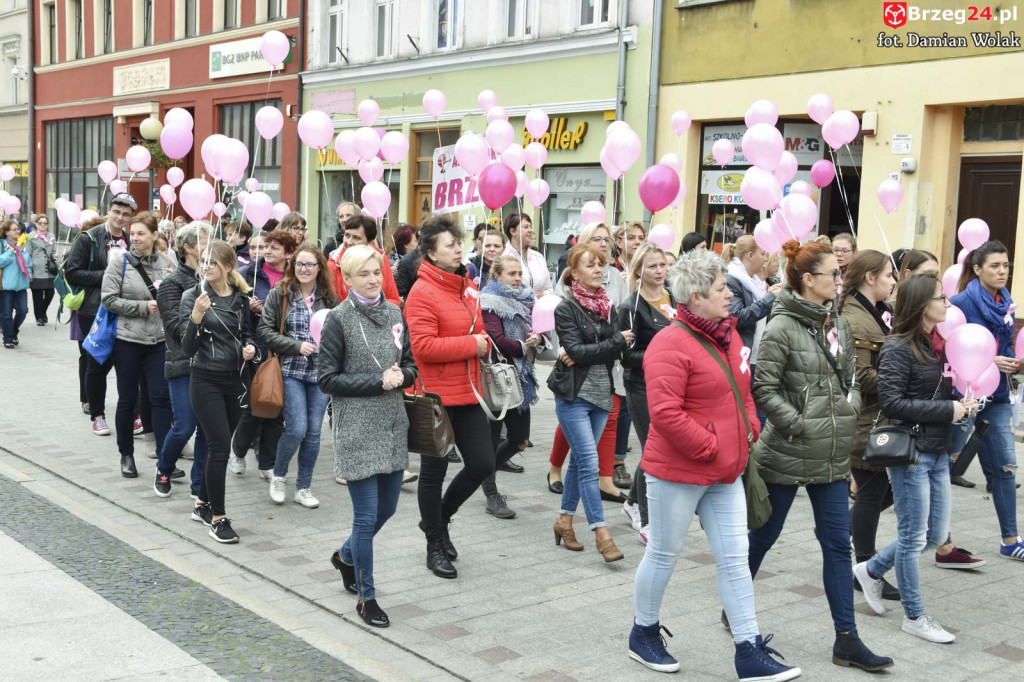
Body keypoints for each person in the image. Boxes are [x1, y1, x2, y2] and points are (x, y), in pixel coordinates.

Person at [628, 248, 800, 680]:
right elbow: (665, 414)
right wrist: (710, 446)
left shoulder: (729, 335)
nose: (729, 296)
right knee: (665, 553)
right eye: (721, 289)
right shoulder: (670, 342)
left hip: (726, 472)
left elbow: (741, 389)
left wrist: (751, 426)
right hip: (679, 471)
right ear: (696, 297)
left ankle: (748, 650)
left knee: (735, 560)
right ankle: (643, 633)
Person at [747, 239, 892, 672]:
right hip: (787, 453)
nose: (839, 279)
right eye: (832, 273)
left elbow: (849, 379)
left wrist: (842, 417)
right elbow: (764, 388)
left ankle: (846, 640)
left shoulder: (837, 323)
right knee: (763, 538)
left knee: (835, 546)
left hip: (830, 455)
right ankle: (736, 606)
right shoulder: (781, 326)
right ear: (807, 279)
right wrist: (799, 424)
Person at [853, 273, 976, 644]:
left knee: (937, 534)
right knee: (912, 537)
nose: (948, 303)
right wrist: (947, 410)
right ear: (923, 305)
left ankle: (871, 570)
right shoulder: (897, 348)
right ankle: (915, 616)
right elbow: (892, 404)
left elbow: (942, 394)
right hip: (912, 454)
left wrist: (962, 406)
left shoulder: (940, 344)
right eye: (941, 298)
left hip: (938, 450)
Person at [320, 244, 417, 628]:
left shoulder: (394, 311)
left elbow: (409, 362)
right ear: (347, 278)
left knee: (388, 508)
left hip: (392, 423)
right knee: (365, 517)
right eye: (364, 273)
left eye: (377, 272)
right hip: (357, 426)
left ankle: (345, 556)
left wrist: (403, 377)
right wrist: (378, 381)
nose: (374, 279)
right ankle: (367, 597)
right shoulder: (338, 320)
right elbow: (326, 379)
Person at [405, 216, 496, 580]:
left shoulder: (465, 284)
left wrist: (482, 341)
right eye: (449, 244)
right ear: (430, 253)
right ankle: (434, 543)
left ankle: (437, 520)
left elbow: (479, 328)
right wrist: (472, 344)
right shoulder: (422, 292)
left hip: (470, 391)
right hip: (437, 395)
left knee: (482, 464)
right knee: (434, 472)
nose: (458, 248)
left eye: (459, 242)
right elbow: (423, 347)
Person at [550, 242, 630, 563]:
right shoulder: (565, 308)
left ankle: (564, 522)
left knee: (581, 464)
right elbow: (577, 351)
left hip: (601, 394)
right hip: (573, 396)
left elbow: (596, 352)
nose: (599, 269)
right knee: (591, 465)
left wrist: (607, 345)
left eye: (601, 264)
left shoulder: (607, 306)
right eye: (590, 265)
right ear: (574, 273)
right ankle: (601, 531)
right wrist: (614, 341)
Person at [950, 240, 1024, 561]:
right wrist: (991, 361)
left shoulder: (1005, 302)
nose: (1002, 271)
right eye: (995, 266)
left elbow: (1004, 348)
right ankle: (936, 538)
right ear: (977, 269)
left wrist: (1012, 364)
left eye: (1006, 265)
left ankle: (1010, 539)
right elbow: (951, 353)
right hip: (961, 398)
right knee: (938, 465)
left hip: (996, 396)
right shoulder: (960, 303)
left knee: (1006, 467)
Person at [180, 241, 256, 544]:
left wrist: (251, 349)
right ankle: (218, 518)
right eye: (204, 262)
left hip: (236, 379)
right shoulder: (194, 297)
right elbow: (185, 348)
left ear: (227, 266)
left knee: (218, 446)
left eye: (213, 262)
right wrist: (196, 316)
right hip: (205, 378)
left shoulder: (240, 299)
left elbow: (247, 334)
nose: (207, 267)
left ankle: (202, 502)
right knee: (220, 446)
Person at [838, 250, 901, 599]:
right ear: (870, 278)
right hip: (864, 418)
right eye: (889, 275)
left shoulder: (878, 313)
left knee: (881, 491)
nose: (893, 281)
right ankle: (865, 568)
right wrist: (902, 379)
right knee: (873, 490)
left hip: (881, 416)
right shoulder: (854, 318)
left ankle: (841, 533)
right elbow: (859, 375)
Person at [259, 244, 340, 509]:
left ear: (319, 268)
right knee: (296, 428)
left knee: (314, 433)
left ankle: (303, 487)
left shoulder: (329, 297)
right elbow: (265, 331)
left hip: (320, 373)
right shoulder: (281, 293)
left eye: (310, 265)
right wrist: (296, 345)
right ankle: (279, 476)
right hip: (291, 370)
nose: (304, 270)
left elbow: (340, 332)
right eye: (299, 264)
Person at [100, 212, 176, 478]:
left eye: (141, 233)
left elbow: (176, 297)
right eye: (133, 233)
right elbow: (108, 300)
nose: (135, 238)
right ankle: (126, 455)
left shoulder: (167, 262)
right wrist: (144, 307)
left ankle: (166, 460)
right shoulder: (119, 263)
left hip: (158, 341)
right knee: (127, 399)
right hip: (127, 340)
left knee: (160, 398)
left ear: (155, 235)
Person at [64, 192, 136, 435]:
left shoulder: (130, 239)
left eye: (126, 214)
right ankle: (98, 414)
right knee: (96, 364)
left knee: (127, 364)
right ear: (109, 210)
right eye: (117, 212)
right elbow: (73, 272)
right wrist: (109, 274)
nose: (120, 217)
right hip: (93, 311)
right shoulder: (88, 238)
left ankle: (135, 415)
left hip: (124, 310)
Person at [479, 254, 542, 519]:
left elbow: (538, 328)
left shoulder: (527, 299)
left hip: (522, 378)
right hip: (499, 377)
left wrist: (538, 337)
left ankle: (483, 473)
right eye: (511, 274)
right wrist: (524, 346)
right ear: (496, 276)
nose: (517, 279)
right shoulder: (489, 301)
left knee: (519, 440)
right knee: (492, 438)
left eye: (519, 274)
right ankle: (491, 492)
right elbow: (497, 338)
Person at [619, 243, 674, 544]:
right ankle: (646, 518)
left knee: (658, 447)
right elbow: (627, 355)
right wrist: (661, 352)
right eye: (653, 266)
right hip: (641, 386)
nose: (660, 271)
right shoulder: (631, 306)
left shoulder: (673, 297)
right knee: (654, 450)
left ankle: (631, 501)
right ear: (639, 270)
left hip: (671, 385)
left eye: (663, 264)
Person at [232, 229, 296, 478]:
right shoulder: (247, 274)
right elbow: (232, 308)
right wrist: (247, 308)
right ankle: (237, 451)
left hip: (286, 347)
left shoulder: (296, 276)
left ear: (288, 253)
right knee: (257, 402)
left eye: (274, 248)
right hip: (255, 345)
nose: (267, 251)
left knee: (277, 406)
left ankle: (267, 463)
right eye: (266, 247)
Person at [154, 222, 210, 499]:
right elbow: (175, 331)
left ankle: (198, 484)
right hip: (182, 362)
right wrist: (198, 313)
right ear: (188, 247)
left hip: (212, 365)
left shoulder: (216, 279)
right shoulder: (171, 284)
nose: (210, 245)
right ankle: (164, 466)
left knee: (206, 429)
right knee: (185, 426)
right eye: (205, 240)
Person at [723, 236, 782, 386]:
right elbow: (737, 316)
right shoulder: (733, 279)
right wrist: (769, 299)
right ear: (750, 255)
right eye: (762, 254)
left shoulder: (753, 281)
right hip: (741, 355)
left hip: (755, 355)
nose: (765, 259)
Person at [326, 215, 402, 306]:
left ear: (370, 243)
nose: (349, 242)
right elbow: (330, 306)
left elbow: (394, 300)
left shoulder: (381, 259)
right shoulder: (334, 265)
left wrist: (375, 308)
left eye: (356, 238)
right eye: (347, 235)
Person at [503, 212, 554, 296]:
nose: (530, 230)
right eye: (526, 227)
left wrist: (543, 295)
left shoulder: (538, 257)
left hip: (539, 307)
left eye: (531, 227)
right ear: (513, 231)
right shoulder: (503, 257)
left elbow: (550, 289)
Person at [0, 220, 31, 348]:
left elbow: (28, 263)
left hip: (21, 285)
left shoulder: (22, 245)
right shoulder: (2, 245)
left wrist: (29, 275)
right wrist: (10, 252)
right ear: (7, 232)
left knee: (23, 311)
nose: (18, 231)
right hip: (6, 286)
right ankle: (8, 338)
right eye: (14, 229)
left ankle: (13, 331)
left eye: (18, 229)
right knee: (6, 313)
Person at [27, 214, 57, 325]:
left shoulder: (51, 236)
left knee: (50, 293)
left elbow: (54, 250)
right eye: (40, 223)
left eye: (45, 223)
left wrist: (55, 255)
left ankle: (43, 312)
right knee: (38, 295)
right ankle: (39, 317)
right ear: (36, 224)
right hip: (36, 269)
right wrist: (29, 268)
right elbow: (28, 254)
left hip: (49, 270)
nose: (43, 225)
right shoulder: (30, 236)